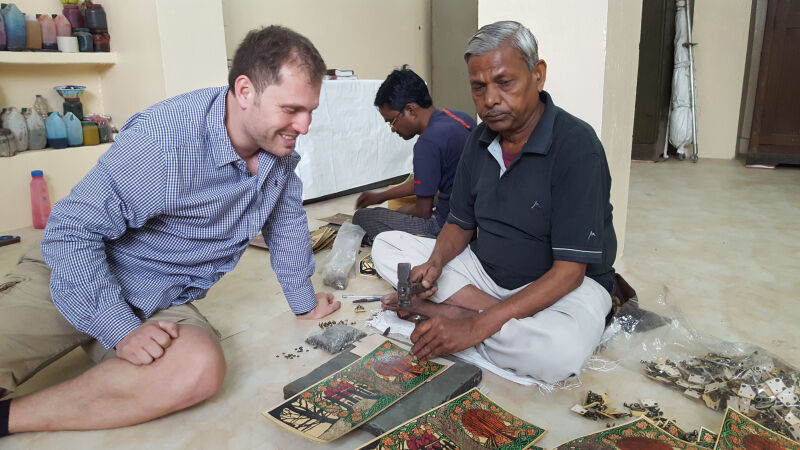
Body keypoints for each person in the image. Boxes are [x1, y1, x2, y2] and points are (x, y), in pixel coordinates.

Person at [0, 25, 340, 437]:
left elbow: (286, 224)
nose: (303, 126)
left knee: (198, 368)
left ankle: (9, 420)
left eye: (310, 111)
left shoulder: (278, 156)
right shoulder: (165, 141)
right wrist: (119, 329)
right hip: (76, 273)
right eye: (291, 110)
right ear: (246, 91)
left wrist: (303, 302)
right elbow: (70, 233)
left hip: (158, 297)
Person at [371, 21, 617, 384]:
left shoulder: (577, 147)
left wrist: (474, 327)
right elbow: (459, 223)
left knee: (558, 356)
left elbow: (569, 272)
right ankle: (483, 316)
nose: (490, 100)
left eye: (505, 82)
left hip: (563, 286)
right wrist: (435, 263)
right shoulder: (479, 140)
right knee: (385, 244)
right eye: (479, 87)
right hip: (486, 273)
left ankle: (461, 315)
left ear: (538, 75)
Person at [353, 66, 476, 244]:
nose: (393, 129)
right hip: (469, 220)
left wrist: (400, 212)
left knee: (362, 218)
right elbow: (425, 181)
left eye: (392, 121)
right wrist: (380, 196)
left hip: (443, 228)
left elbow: (422, 213)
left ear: (410, 110)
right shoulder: (459, 118)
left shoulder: (427, 143)